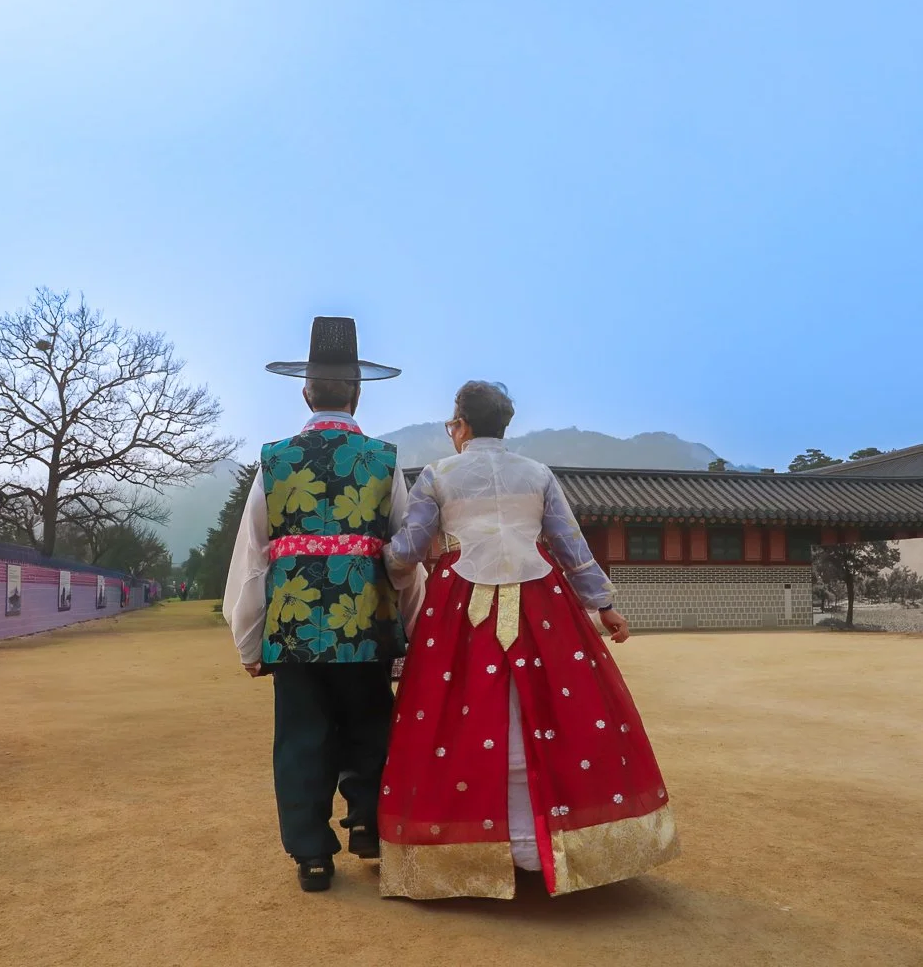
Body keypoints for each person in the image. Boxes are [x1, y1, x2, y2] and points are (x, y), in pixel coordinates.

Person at [379, 381, 679, 900]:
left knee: (459, 716)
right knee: (550, 711)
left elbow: (408, 549)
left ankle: (470, 851)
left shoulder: (438, 474)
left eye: (453, 423)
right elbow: (570, 545)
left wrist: (375, 558)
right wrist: (603, 606)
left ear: (462, 426)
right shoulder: (537, 474)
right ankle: (554, 847)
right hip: (542, 602)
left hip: (460, 608)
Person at [223, 317, 425, 893]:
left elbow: (254, 556)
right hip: (366, 626)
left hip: (292, 629)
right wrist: (408, 631)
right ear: (357, 393)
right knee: (370, 726)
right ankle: (366, 821)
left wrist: (248, 637)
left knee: (300, 737)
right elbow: (403, 559)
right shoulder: (383, 462)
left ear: (305, 391)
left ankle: (312, 855)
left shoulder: (276, 460)